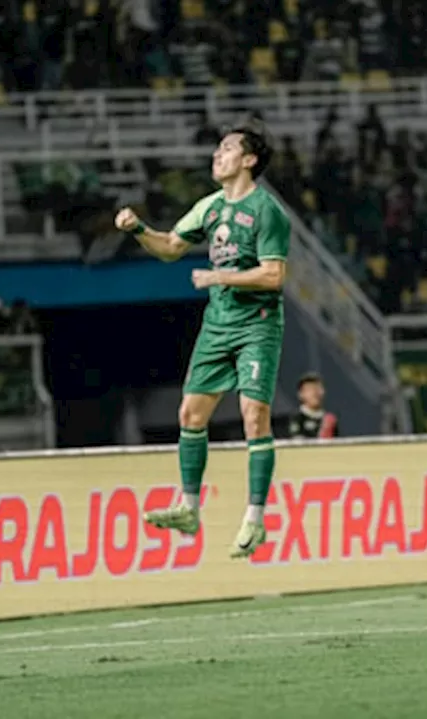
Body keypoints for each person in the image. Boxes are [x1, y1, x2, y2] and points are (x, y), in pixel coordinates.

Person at [113, 116, 289, 559]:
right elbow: (171, 247)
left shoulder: (268, 212)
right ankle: (189, 508)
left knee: (254, 415)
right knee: (190, 415)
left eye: (227, 148)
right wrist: (138, 229)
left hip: (257, 324)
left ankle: (254, 518)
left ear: (249, 160)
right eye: (218, 148)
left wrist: (220, 274)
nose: (218, 154)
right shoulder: (210, 207)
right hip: (218, 324)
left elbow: (273, 275)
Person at [288, 373, 339, 439]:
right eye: (310, 389)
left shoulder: (329, 420)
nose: (315, 393)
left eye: (318, 388)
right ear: (301, 394)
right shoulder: (296, 418)